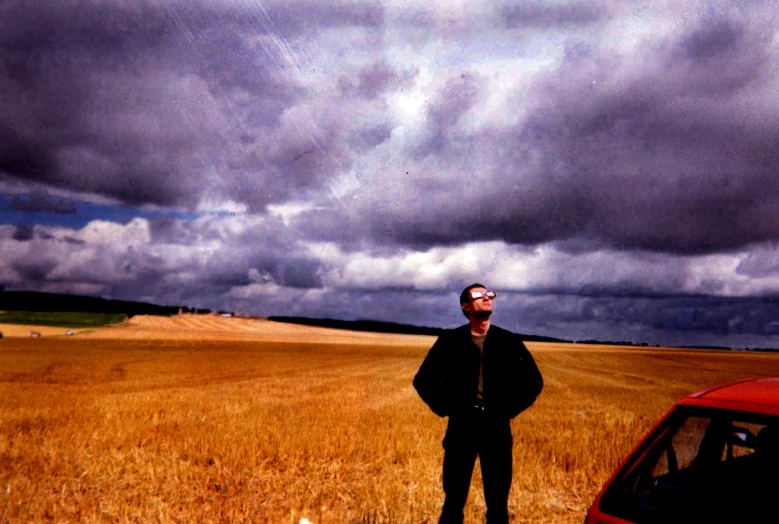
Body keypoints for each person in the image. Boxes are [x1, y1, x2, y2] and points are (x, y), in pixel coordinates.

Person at [414, 283, 543, 524]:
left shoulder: (509, 341)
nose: (486, 298)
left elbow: (533, 382)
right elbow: (423, 380)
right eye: (478, 295)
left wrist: (507, 409)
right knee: (453, 502)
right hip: (461, 427)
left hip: (496, 429)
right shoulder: (450, 341)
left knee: (497, 506)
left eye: (489, 294)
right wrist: (448, 408)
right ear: (465, 306)